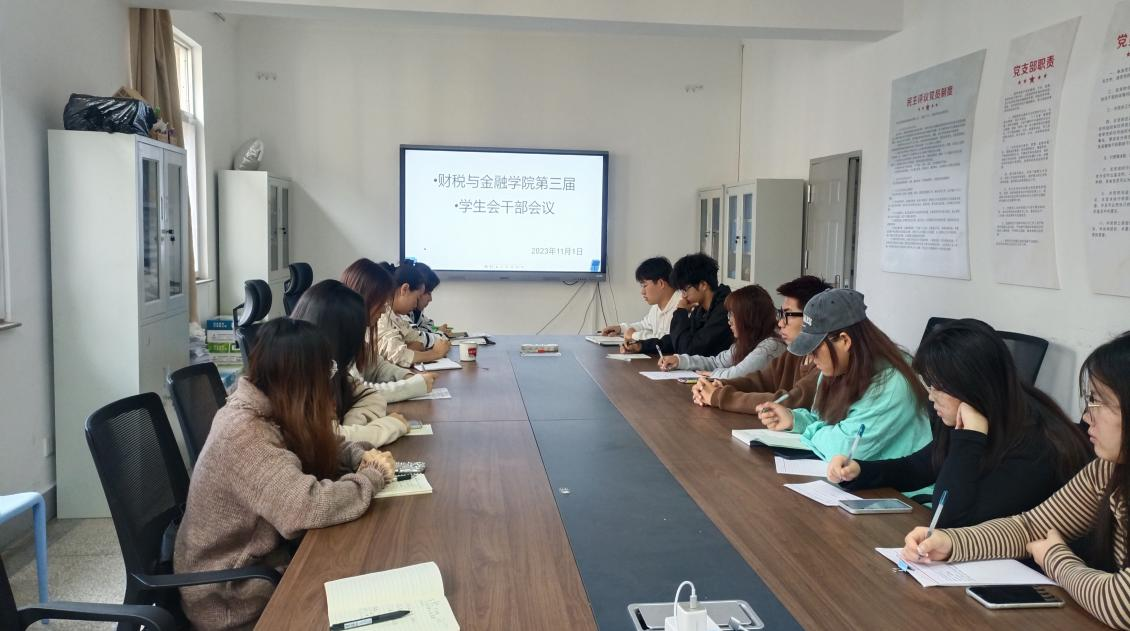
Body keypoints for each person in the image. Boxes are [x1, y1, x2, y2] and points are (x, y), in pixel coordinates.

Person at [174, 318, 396, 630]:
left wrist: (360, 457)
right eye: (327, 372)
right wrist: (371, 477)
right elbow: (305, 507)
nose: (330, 383)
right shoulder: (244, 434)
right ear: (304, 380)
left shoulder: (273, 408)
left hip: (264, 566)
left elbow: (325, 445)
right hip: (231, 596)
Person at [901, 332, 1130, 630]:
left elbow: (1122, 603)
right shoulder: (1107, 470)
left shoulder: (1037, 441)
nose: (1087, 416)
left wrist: (1056, 559)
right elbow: (1031, 526)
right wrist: (951, 542)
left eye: (1098, 402)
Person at [826, 319, 1090, 526]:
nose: (931, 396)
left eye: (939, 387)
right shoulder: (980, 411)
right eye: (929, 384)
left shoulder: (1036, 444)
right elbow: (921, 466)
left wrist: (969, 439)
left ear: (970, 386)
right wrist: (861, 471)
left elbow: (950, 521)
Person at [755, 288, 931, 461]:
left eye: (815, 348)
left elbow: (843, 449)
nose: (811, 357)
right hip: (852, 475)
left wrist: (811, 431)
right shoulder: (836, 370)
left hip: (895, 480)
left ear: (845, 340)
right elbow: (822, 420)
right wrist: (794, 420)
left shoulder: (894, 385)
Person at [291, 279, 412, 447]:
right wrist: (390, 426)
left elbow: (371, 396)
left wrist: (353, 424)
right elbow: (326, 438)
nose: (385, 309)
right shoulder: (296, 378)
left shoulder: (329, 369)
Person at [692, 275, 830, 411]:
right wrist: (719, 385)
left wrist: (719, 396)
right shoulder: (793, 353)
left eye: (788, 315)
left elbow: (791, 401)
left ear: (811, 318)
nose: (780, 323)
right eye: (781, 314)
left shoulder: (826, 364)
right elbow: (759, 381)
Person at [340, 258, 434, 402]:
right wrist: (414, 386)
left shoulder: (357, 331)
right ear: (366, 298)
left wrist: (408, 376)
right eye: (382, 302)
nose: (385, 309)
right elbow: (356, 392)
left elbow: (377, 366)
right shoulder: (339, 335)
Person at [656, 284, 784, 379]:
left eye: (733, 314)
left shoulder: (771, 346)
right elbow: (717, 362)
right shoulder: (747, 341)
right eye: (729, 314)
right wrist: (679, 360)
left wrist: (712, 374)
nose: (729, 321)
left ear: (750, 317)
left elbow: (737, 375)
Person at [627, 253, 733, 357]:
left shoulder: (724, 310)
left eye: (685, 289)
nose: (683, 295)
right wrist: (641, 346)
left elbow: (688, 350)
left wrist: (681, 311)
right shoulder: (701, 309)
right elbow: (676, 340)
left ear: (703, 285)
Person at [377, 259, 452, 367]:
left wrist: (409, 347)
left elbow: (417, 340)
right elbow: (398, 355)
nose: (416, 304)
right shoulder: (381, 315)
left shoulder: (397, 317)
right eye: (417, 298)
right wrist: (435, 353)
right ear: (405, 289)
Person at [599, 256, 682, 342]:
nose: (642, 292)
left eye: (644, 285)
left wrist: (634, 335)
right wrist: (620, 328)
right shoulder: (657, 307)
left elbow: (669, 340)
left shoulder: (682, 306)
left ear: (661, 283)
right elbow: (644, 325)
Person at [409, 261, 454, 347]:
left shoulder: (415, 312)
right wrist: (440, 335)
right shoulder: (402, 314)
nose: (431, 299)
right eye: (428, 293)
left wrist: (436, 329)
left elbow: (427, 325)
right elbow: (417, 338)